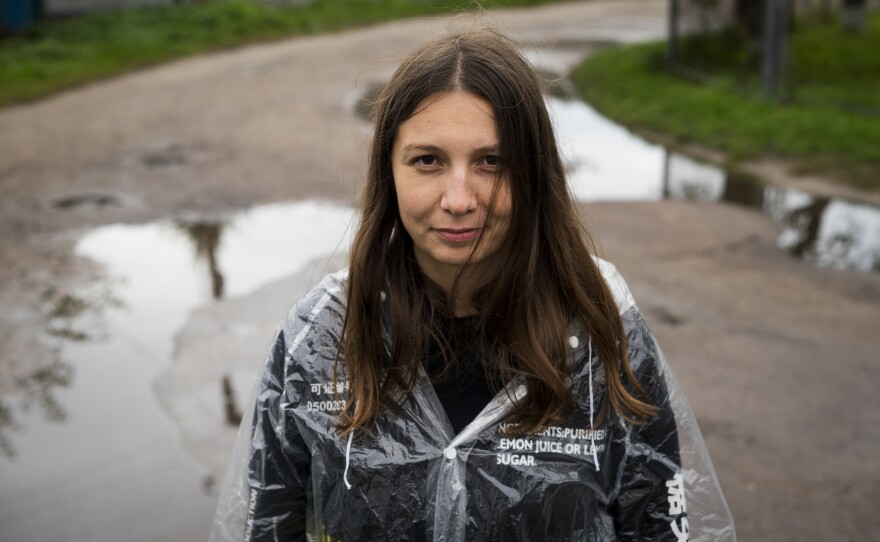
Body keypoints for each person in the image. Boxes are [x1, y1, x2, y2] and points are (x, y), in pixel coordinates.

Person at [211, 30, 736, 542]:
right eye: (428, 161)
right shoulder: (320, 336)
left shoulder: (603, 335)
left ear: (533, 173)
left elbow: (658, 526)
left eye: (491, 161)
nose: (459, 199)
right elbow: (266, 524)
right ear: (389, 173)